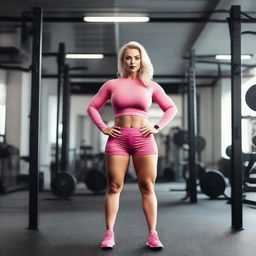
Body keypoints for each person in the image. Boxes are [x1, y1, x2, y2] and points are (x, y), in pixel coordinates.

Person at [86, 41, 177, 249]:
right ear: (122, 61)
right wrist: (103, 127)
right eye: (128, 58)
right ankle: (109, 234)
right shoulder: (112, 85)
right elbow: (92, 107)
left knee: (147, 186)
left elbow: (171, 108)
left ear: (142, 59)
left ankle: (153, 234)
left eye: (137, 57)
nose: (132, 61)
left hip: (143, 138)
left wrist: (157, 126)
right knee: (114, 186)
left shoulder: (150, 85)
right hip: (117, 139)